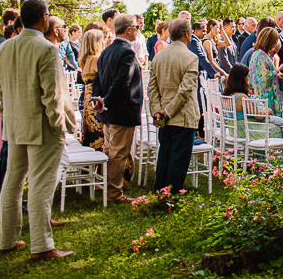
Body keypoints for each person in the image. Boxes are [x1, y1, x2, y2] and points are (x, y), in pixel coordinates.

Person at [0, 0, 75, 260]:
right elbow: (51, 95)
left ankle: (7, 238)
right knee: (41, 185)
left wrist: (8, 113)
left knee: (13, 182)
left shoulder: (4, 48)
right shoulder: (46, 48)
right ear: (43, 17)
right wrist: (58, 125)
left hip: (15, 124)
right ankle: (42, 245)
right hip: (42, 127)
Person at [92, 14, 143, 204]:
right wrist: (105, 101)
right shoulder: (127, 53)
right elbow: (122, 82)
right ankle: (114, 194)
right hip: (122, 110)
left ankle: (107, 187)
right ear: (128, 29)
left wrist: (99, 99)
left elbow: (98, 81)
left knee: (108, 150)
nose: (138, 31)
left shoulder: (106, 51)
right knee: (118, 153)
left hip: (107, 111)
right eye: (136, 27)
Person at [147, 17, 200, 195]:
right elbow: (185, 90)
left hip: (163, 117)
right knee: (178, 159)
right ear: (186, 33)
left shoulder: (159, 56)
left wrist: (157, 110)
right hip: (183, 116)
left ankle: (159, 193)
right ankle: (171, 197)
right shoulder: (190, 57)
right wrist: (168, 111)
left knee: (165, 155)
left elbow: (151, 88)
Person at [222, 64, 283, 140]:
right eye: (247, 76)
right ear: (242, 79)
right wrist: (268, 111)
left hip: (234, 130)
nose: (248, 79)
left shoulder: (228, 95)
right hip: (246, 131)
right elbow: (258, 115)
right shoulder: (241, 97)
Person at [248, 27, 283, 116]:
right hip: (265, 96)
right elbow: (264, 77)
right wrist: (278, 69)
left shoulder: (259, 53)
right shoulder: (261, 55)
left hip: (262, 94)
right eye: (275, 41)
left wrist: (277, 75)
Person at [77, 28, 105, 149]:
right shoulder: (96, 59)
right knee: (99, 134)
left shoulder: (84, 60)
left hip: (87, 100)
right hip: (95, 99)